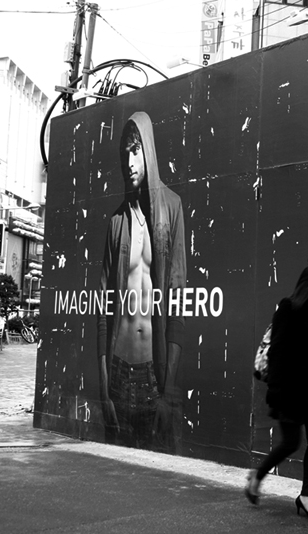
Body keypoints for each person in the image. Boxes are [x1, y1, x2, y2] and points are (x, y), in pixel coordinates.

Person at [96, 111, 187, 451]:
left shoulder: (172, 208)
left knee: (154, 470)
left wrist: (168, 390)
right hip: (118, 369)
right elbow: (103, 312)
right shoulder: (117, 221)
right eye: (125, 154)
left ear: (148, 149)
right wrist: (104, 390)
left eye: (136, 151)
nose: (129, 162)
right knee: (112, 469)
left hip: (153, 375)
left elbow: (177, 305)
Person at [245, 264, 308, 520]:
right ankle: (257, 475)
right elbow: (277, 350)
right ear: (307, 286)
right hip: (291, 390)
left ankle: (306, 496)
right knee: (290, 443)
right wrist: (275, 388)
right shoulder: (289, 308)